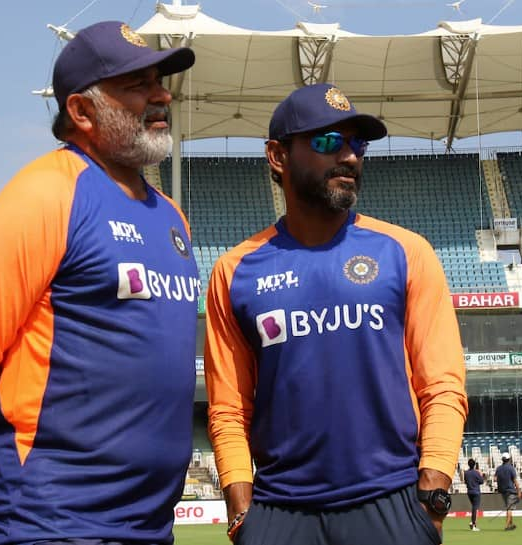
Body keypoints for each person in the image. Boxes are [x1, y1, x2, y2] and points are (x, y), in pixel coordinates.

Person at [0, 21, 199, 545]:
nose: (161, 94)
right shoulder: (42, 197)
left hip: (148, 521)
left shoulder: (171, 217)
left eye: (160, 81)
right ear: (81, 111)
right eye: (137, 84)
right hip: (47, 519)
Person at [204, 82, 468, 545]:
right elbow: (228, 409)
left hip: (392, 506)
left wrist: (433, 497)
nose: (348, 156)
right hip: (279, 514)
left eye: (357, 143)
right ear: (277, 156)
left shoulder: (407, 252)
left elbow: (442, 386)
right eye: (327, 142)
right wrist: (243, 516)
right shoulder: (234, 271)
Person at [495, 452, 522, 531]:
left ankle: (511, 524)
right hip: (510, 491)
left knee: (508, 507)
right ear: (509, 459)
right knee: (509, 509)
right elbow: (515, 481)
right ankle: (507, 526)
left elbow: (495, 479)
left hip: (502, 491)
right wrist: (519, 491)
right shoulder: (511, 468)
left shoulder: (498, 468)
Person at [463, 458, 484, 531]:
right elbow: (482, 481)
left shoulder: (466, 473)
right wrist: (480, 474)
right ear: (474, 465)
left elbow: (465, 482)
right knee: (475, 508)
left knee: (474, 508)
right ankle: (473, 523)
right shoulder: (476, 473)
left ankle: (473, 522)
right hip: (476, 492)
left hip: (469, 492)